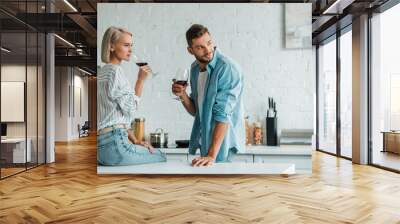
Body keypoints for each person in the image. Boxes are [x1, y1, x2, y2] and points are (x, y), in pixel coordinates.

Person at [172, 24, 245, 167]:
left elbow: (223, 114)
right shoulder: (194, 69)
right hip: (205, 143)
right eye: (200, 47)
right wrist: (182, 95)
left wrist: (212, 155)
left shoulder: (227, 68)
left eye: (209, 43)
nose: (208, 50)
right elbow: (197, 111)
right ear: (190, 50)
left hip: (222, 146)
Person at [97, 26, 166, 166]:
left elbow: (117, 116)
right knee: (160, 155)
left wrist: (135, 140)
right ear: (111, 46)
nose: (130, 50)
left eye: (131, 46)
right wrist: (140, 81)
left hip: (101, 148)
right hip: (116, 145)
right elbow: (130, 108)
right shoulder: (116, 72)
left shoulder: (102, 72)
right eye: (126, 45)